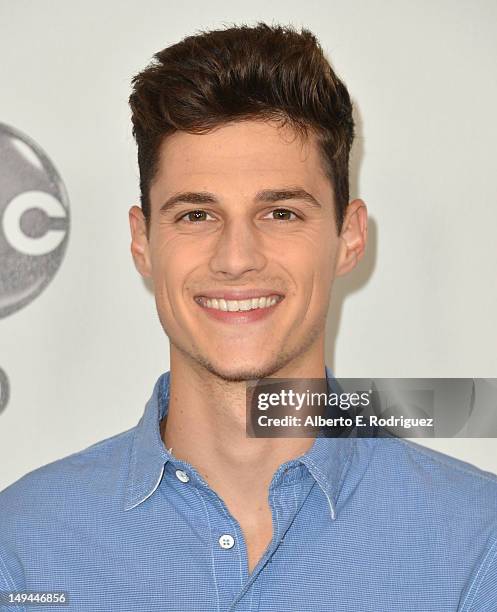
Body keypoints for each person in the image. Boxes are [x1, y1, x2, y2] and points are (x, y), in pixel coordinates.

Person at [1, 22, 496, 612]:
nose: (236, 259)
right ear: (142, 242)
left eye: (281, 213)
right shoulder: (22, 547)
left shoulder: (475, 544)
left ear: (349, 237)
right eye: (196, 216)